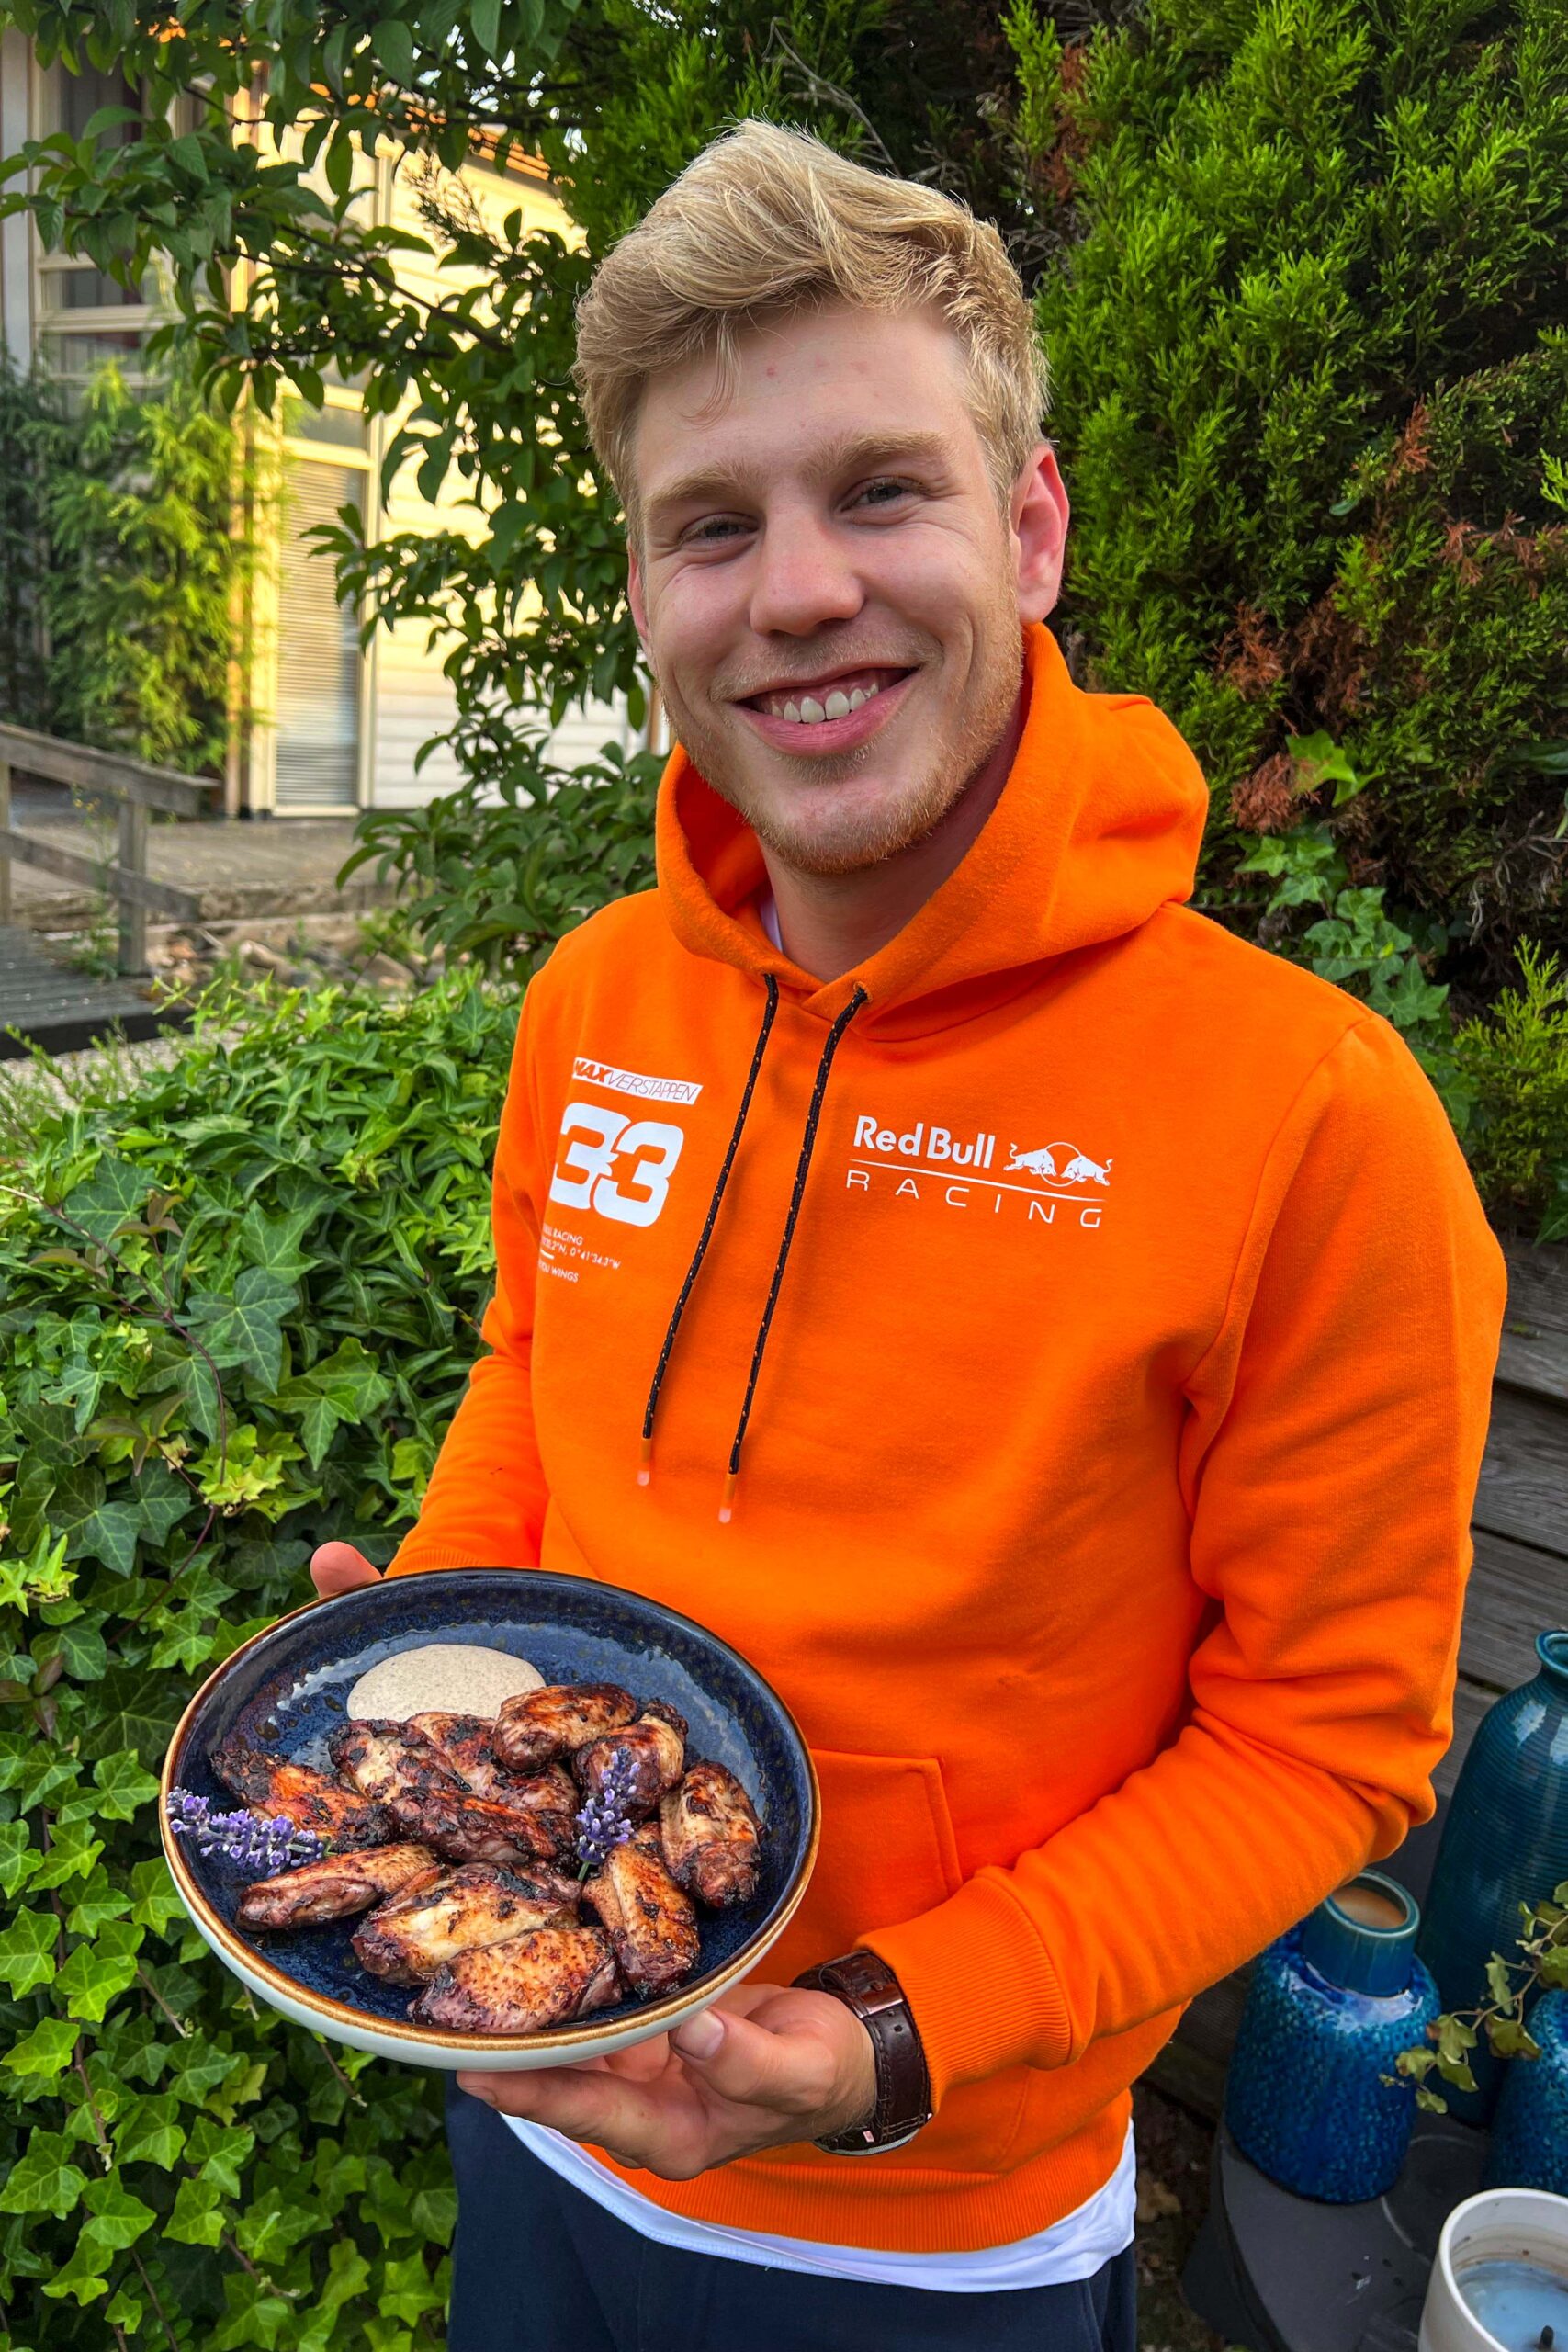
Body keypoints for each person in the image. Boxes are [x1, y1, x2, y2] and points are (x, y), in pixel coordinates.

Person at [311, 120, 1506, 2352]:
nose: (791, 592)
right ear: (643, 591)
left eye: (878, 490)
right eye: (709, 524)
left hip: (932, 2225)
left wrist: (883, 2028)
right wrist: (437, 1647)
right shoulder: (591, 1000)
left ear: (1027, 527)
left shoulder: (1308, 1116)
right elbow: (534, 1364)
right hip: (529, 2095)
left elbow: (1327, 1737)